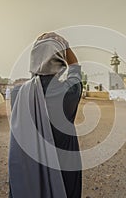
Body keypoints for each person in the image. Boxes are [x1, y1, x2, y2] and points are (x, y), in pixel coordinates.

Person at [8, 32, 82, 198]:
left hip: (28, 168)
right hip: (65, 167)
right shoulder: (69, 91)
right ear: (60, 61)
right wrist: (66, 45)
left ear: (33, 60)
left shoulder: (17, 93)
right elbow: (75, 67)